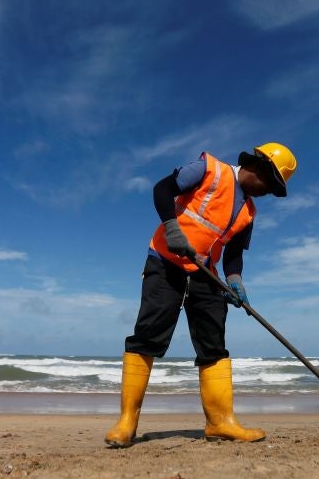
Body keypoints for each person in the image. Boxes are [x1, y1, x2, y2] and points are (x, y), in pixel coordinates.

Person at [105, 142, 297, 448]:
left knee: (213, 341)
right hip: (166, 261)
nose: (267, 192)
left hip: (205, 271)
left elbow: (233, 253)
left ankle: (220, 423)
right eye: (269, 184)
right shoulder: (210, 170)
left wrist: (235, 281)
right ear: (258, 167)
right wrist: (171, 228)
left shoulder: (248, 212)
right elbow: (162, 189)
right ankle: (127, 422)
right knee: (149, 334)